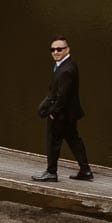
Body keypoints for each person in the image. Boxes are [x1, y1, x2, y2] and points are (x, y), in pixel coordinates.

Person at [33, 37, 93, 182]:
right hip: (69, 113)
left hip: (61, 114)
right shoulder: (67, 64)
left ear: (67, 49)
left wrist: (53, 112)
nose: (55, 52)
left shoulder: (66, 69)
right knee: (74, 140)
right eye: (53, 49)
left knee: (53, 142)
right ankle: (85, 170)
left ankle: (51, 173)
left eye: (59, 49)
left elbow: (63, 97)